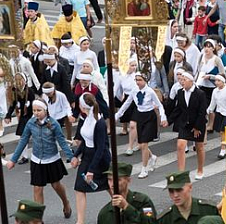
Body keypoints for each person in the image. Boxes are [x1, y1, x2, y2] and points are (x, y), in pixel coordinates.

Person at [7, 98, 74, 218]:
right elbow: (23, 140)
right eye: (34, 110)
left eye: (39, 110)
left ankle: (66, 203)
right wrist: (13, 159)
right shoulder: (31, 123)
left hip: (52, 159)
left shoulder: (53, 124)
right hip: (37, 160)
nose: (36, 113)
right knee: (37, 188)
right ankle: (38, 218)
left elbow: (62, 142)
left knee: (56, 185)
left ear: (45, 110)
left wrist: (71, 157)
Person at [116, 73, 168, 179]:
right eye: (136, 80)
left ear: (145, 81)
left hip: (149, 117)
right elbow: (127, 103)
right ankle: (152, 157)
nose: (137, 82)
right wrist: (117, 115)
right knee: (142, 143)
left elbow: (159, 105)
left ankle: (144, 169)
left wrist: (163, 117)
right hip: (140, 116)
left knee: (144, 144)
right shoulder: (134, 91)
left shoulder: (150, 91)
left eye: (140, 80)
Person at [71, 93, 112, 224]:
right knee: (79, 188)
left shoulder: (99, 123)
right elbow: (85, 140)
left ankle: (122, 209)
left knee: (109, 187)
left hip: (100, 159)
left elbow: (101, 148)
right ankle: (80, 221)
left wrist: (92, 170)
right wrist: (76, 155)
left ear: (82, 106)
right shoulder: (86, 118)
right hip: (88, 156)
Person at [168, 71, 208, 178]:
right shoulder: (180, 92)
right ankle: (181, 173)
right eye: (180, 80)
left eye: (184, 80)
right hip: (185, 123)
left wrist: (197, 127)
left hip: (198, 124)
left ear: (191, 81)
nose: (182, 82)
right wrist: (169, 121)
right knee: (180, 146)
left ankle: (200, 170)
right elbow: (178, 109)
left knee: (199, 147)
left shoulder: (200, 94)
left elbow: (202, 112)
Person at [207, 75, 226, 159]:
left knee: (223, 131)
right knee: (221, 131)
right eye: (216, 81)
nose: (216, 82)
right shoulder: (215, 91)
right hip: (219, 113)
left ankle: (223, 150)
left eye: (219, 81)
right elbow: (213, 102)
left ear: (223, 82)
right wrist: (209, 109)